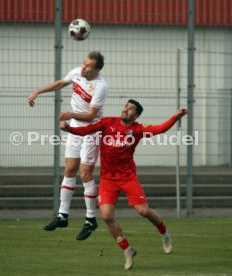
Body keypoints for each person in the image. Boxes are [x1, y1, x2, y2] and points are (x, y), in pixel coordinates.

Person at [59, 99, 188, 270]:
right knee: (106, 216)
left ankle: (164, 233)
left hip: (128, 178)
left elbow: (159, 129)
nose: (126, 109)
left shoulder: (138, 129)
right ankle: (127, 250)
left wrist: (175, 117)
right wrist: (69, 129)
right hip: (108, 180)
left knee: (143, 211)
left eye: (131, 108)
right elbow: (87, 130)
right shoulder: (107, 123)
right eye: (126, 106)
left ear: (136, 115)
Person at [28, 51, 108, 240]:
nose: (84, 67)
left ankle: (90, 219)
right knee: (70, 169)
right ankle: (63, 216)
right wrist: (37, 92)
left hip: (91, 130)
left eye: (88, 65)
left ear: (97, 69)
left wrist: (71, 115)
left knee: (85, 174)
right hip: (74, 128)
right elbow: (60, 83)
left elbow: (90, 115)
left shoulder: (101, 86)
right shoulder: (77, 73)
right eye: (84, 63)